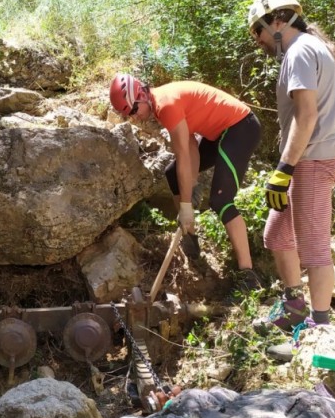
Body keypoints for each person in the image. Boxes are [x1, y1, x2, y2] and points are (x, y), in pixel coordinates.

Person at [246, 0, 335, 360]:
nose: (257, 40)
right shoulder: (309, 48)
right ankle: (294, 309)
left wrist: (284, 169)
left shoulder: (301, 51)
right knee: (277, 234)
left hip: (312, 162)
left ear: (277, 21)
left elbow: (307, 116)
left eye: (256, 31)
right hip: (309, 160)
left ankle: (319, 337)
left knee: (314, 250)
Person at [109, 75, 263, 291]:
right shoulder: (161, 103)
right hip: (220, 134)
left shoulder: (166, 105)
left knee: (221, 200)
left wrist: (186, 205)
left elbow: (183, 156)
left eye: (133, 111)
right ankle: (189, 236)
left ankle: (247, 276)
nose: (134, 118)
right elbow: (190, 148)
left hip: (240, 129)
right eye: (128, 116)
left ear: (142, 95)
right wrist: (191, 184)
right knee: (173, 174)